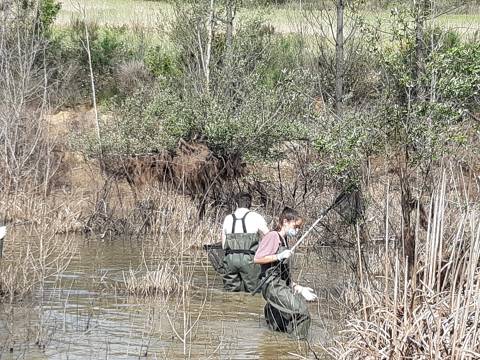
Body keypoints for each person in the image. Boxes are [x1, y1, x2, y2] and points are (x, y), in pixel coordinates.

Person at [254, 207, 317, 339]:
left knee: (281, 329)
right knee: (303, 314)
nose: (297, 230)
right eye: (296, 226)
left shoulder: (284, 240)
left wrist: (299, 288)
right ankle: (295, 348)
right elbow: (257, 258)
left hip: (280, 286)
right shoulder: (272, 236)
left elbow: (283, 275)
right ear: (285, 221)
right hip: (272, 287)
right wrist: (278, 256)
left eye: (299, 228)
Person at [222, 192, 269, 292]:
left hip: (230, 260)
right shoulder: (256, 217)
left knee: (230, 293)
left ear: (236, 203)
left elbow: (223, 244)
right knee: (254, 292)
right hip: (249, 260)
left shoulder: (228, 218)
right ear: (249, 203)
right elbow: (268, 237)